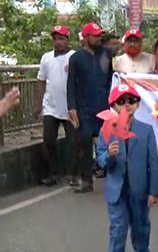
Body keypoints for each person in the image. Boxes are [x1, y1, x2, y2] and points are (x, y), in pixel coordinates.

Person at [96, 84, 158, 252]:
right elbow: (100, 158)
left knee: (140, 225)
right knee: (118, 227)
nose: (127, 105)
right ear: (113, 106)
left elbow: (153, 163)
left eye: (131, 101)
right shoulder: (107, 129)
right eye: (121, 102)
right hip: (117, 188)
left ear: (138, 104)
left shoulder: (146, 130)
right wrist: (109, 155)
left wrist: (154, 190)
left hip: (139, 188)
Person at [67, 23, 114, 193]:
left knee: (110, 142)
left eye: (100, 35)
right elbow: (71, 84)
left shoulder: (107, 54)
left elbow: (112, 78)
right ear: (86, 37)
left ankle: (114, 176)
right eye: (95, 36)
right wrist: (72, 107)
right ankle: (86, 180)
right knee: (85, 143)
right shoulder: (76, 58)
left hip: (104, 105)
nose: (98, 38)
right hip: (84, 108)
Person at [37, 25, 76, 186]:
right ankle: (52, 174)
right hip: (50, 107)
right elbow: (41, 81)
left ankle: (73, 173)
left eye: (61, 38)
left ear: (67, 39)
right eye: (55, 39)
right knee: (48, 141)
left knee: (73, 142)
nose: (58, 42)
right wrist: (38, 104)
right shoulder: (46, 58)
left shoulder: (74, 57)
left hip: (70, 107)